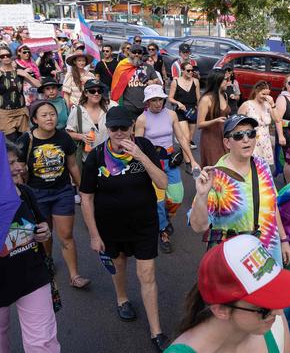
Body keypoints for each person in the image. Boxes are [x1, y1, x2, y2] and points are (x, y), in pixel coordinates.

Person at [79, 105, 170, 351]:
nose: (119, 132)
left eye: (124, 128)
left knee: (147, 274)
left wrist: (141, 156)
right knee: (118, 265)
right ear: (107, 130)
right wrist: (94, 235)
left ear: (132, 128)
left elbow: (163, 182)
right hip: (111, 226)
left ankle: (156, 330)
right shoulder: (97, 156)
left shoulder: (145, 147)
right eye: (114, 128)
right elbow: (86, 197)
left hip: (144, 224)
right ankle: (122, 299)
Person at [164, 234, 290, 353]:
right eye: (264, 309)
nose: (279, 311)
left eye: (276, 295)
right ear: (221, 310)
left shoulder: (272, 321)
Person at [189, 114, 290, 265]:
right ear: (227, 142)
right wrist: (202, 195)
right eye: (238, 135)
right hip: (237, 261)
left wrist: (283, 239)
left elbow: (272, 206)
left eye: (250, 134)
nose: (246, 139)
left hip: (270, 251)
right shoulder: (216, 177)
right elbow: (199, 226)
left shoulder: (261, 165)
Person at [16, 100, 89, 289]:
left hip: (62, 192)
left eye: (52, 114)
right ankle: (47, 262)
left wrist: (83, 189)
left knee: (66, 235)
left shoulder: (64, 138)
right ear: (34, 119)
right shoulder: (26, 140)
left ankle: (75, 275)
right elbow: (17, 167)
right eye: (44, 115)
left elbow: (72, 165)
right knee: (45, 234)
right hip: (37, 194)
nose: (50, 118)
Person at [0, 138, 60, 353]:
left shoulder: (25, 192)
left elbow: (41, 223)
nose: (18, 167)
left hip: (32, 275)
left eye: (17, 161)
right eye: (9, 163)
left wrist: (44, 232)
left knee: (43, 342)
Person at [135, 84, 199, 254]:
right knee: (158, 201)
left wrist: (192, 160)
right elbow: (138, 145)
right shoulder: (142, 119)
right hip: (153, 164)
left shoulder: (171, 115)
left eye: (160, 99)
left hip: (169, 161)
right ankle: (163, 232)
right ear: (147, 102)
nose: (158, 103)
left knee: (177, 197)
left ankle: (162, 220)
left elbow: (182, 138)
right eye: (153, 100)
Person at [0, 46, 41, 141]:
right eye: (2, 56)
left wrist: (26, 75)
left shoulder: (19, 72)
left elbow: (38, 85)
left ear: (11, 56)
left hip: (21, 112)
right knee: (12, 142)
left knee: (23, 142)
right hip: (5, 113)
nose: (5, 57)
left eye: (7, 55)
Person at [66, 80, 110, 163]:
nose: (96, 94)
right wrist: (81, 136)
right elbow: (68, 132)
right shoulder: (77, 111)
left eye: (99, 91)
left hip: (108, 158)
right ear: (86, 93)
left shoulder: (109, 108)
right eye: (92, 91)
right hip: (88, 159)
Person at [110, 44, 160, 117]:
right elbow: (116, 85)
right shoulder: (122, 66)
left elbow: (159, 83)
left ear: (142, 54)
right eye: (134, 52)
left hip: (146, 107)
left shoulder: (148, 67)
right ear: (129, 53)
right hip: (128, 106)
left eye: (139, 52)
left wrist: (153, 82)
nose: (137, 54)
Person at [238, 81, 276, 167]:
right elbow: (238, 123)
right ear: (256, 91)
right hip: (251, 141)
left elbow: (277, 119)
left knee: (263, 170)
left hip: (265, 142)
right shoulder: (247, 105)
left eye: (267, 95)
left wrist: (273, 104)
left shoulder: (267, 105)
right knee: (252, 167)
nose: (265, 97)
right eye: (263, 94)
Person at [197, 70, 230, 167]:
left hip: (224, 136)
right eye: (225, 79)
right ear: (218, 81)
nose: (228, 82)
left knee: (226, 166)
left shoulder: (224, 95)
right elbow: (200, 124)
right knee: (214, 167)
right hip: (211, 138)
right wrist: (216, 120)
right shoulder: (206, 99)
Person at [168, 61, 200, 158]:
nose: (191, 72)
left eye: (192, 70)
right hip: (181, 111)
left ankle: (182, 152)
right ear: (182, 71)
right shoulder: (176, 82)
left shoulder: (195, 81)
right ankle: (188, 162)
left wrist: (201, 109)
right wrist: (178, 103)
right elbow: (170, 98)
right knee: (185, 137)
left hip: (192, 111)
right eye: (188, 70)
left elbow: (198, 98)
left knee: (189, 138)